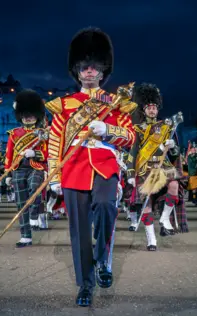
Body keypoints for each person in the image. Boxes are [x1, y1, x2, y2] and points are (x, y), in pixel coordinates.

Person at [44, 27, 136, 307]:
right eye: (84, 66)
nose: (90, 71)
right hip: (73, 169)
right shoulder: (65, 105)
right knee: (79, 230)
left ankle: (101, 259)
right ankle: (85, 283)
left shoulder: (116, 104)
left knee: (108, 206)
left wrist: (107, 128)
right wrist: (53, 175)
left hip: (105, 167)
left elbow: (130, 137)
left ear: (103, 69)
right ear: (77, 69)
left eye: (95, 66)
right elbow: (54, 140)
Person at [126, 83, 182, 250]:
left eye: (154, 107)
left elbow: (175, 153)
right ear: (144, 110)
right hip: (144, 168)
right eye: (149, 107)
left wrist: (173, 146)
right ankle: (151, 239)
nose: (152, 110)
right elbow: (133, 152)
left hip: (162, 166)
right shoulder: (137, 129)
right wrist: (130, 172)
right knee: (146, 204)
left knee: (174, 185)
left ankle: (165, 218)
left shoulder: (166, 127)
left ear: (158, 110)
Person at [4, 89, 48, 247]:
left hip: (36, 166)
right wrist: (7, 172)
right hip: (18, 168)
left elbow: (48, 153)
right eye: (25, 114)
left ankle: (34, 215)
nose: (28, 117)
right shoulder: (14, 133)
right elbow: (9, 153)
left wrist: (35, 152)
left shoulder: (43, 133)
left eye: (31, 113)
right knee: (21, 202)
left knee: (35, 189)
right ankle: (25, 236)